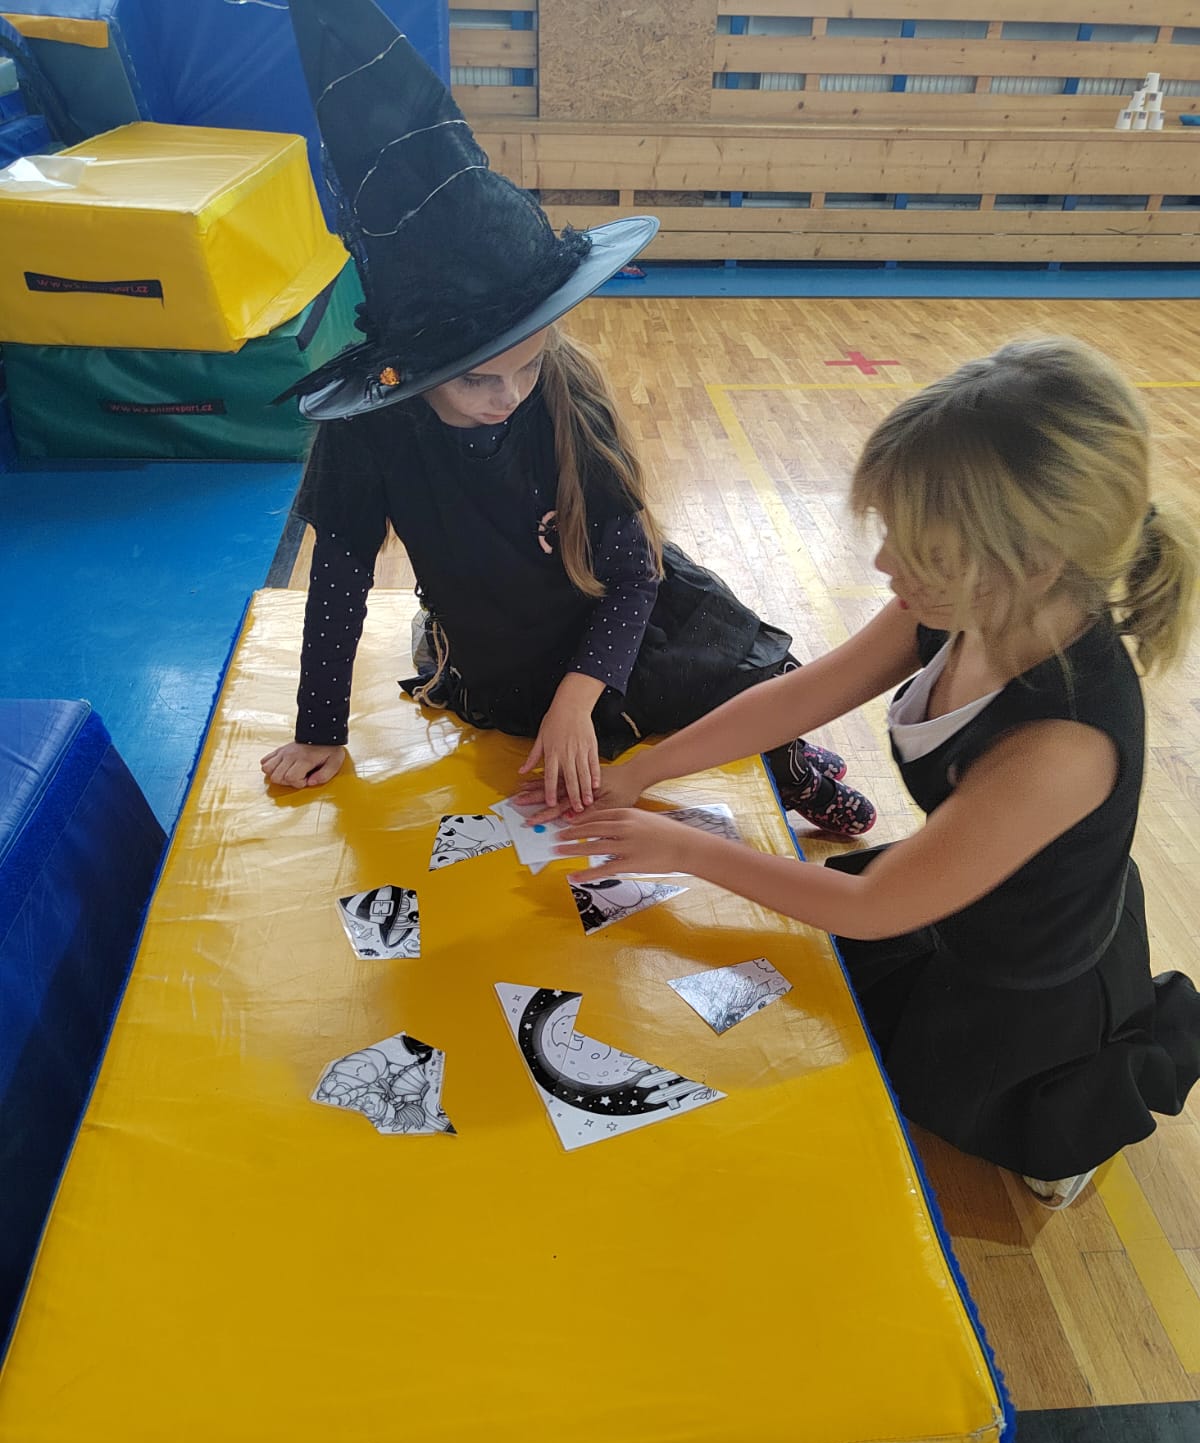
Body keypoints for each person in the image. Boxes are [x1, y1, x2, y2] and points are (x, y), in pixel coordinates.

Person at [554, 335, 1200, 1209]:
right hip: (960, 888)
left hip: (1024, 967)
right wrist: (646, 768)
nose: (885, 564)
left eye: (917, 546)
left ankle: (1071, 1115)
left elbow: (875, 907)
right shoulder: (964, 601)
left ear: (1029, 565)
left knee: (956, 1103)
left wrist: (685, 848)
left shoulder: (1065, 743)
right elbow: (800, 695)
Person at [260, 0, 875, 837]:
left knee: (738, 680)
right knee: (538, 733)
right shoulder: (366, 432)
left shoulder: (566, 398)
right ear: (414, 370)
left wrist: (579, 698)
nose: (509, 395)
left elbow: (634, 575)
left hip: (615, 610)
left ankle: (791, 763)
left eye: (529, 364)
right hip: (499, 642)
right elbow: (338, 578)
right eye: (478, 380)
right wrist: (319, 727)